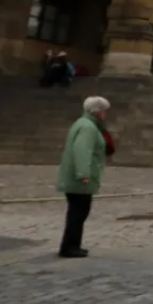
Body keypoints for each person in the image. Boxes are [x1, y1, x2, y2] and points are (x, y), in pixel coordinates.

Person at [56, 95, 111, 259]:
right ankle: (69, 247)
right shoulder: (88, 127)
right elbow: (82, 151)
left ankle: (73, 244)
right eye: (104, 111)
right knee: (78, 212)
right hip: (80, 178)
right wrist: (83, 174)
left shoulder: (84, 124)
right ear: (98, 112)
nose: (106, 114)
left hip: (77, 177)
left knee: (78, 212)